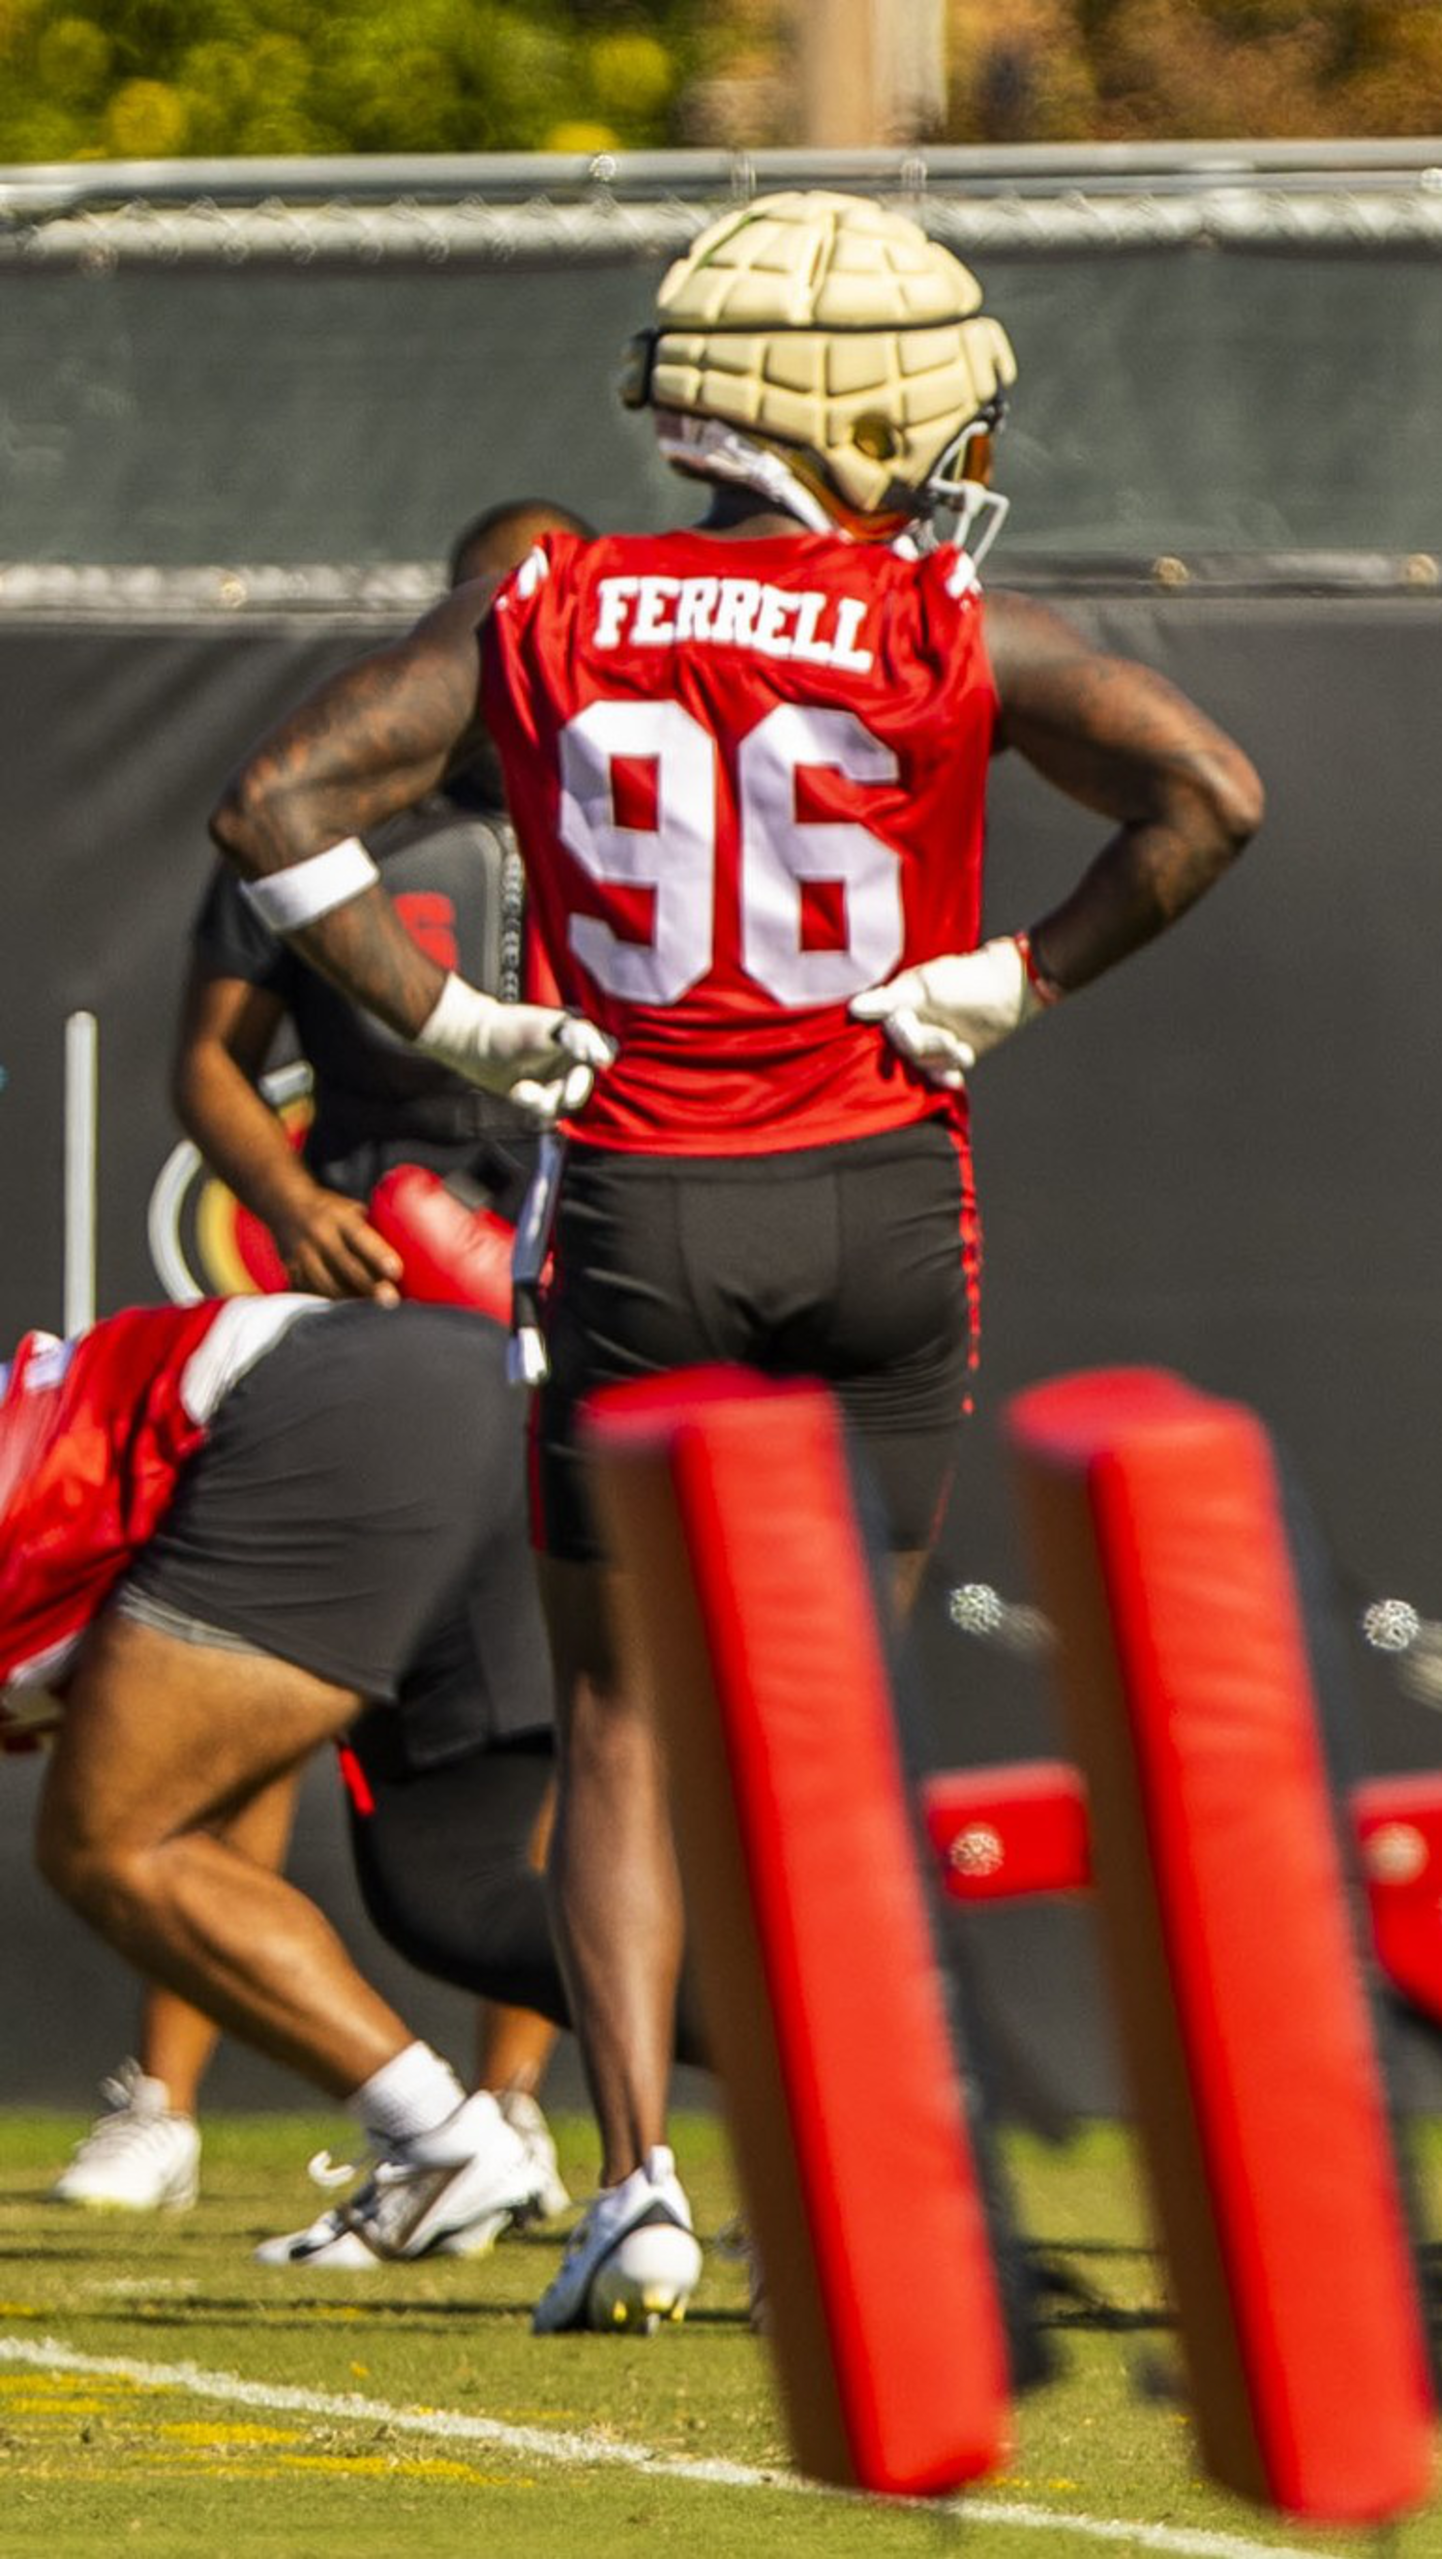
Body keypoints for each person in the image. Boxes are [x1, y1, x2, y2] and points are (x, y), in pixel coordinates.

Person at [206, 190, 1263, 2336]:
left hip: (638, 1211)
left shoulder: (550, 598)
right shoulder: (930, 618)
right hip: (883, 1196)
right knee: (827, 1732)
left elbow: (276, 802)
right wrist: (1021, 980)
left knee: (620, 1726)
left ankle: (644, 2183)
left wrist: (447, 1025)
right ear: (860, 407)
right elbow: (1210, 792)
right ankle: (855, 2163)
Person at [59, 499, 589, 2224]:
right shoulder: (323, 813)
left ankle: (511, 2108)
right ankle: (167, 2093)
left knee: (570, 1705)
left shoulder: (655, 814)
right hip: (383, 1270)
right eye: (484, 614)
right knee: (251, 1685)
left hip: (587, 1282)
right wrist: (293, 1192)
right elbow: (210, 1065)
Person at [6, 1297, 560, 2269]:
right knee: (459, 1896)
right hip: (455, 1383)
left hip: (319, 1399)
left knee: (108, 1837)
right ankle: (819, 2097)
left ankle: (444, 2141)